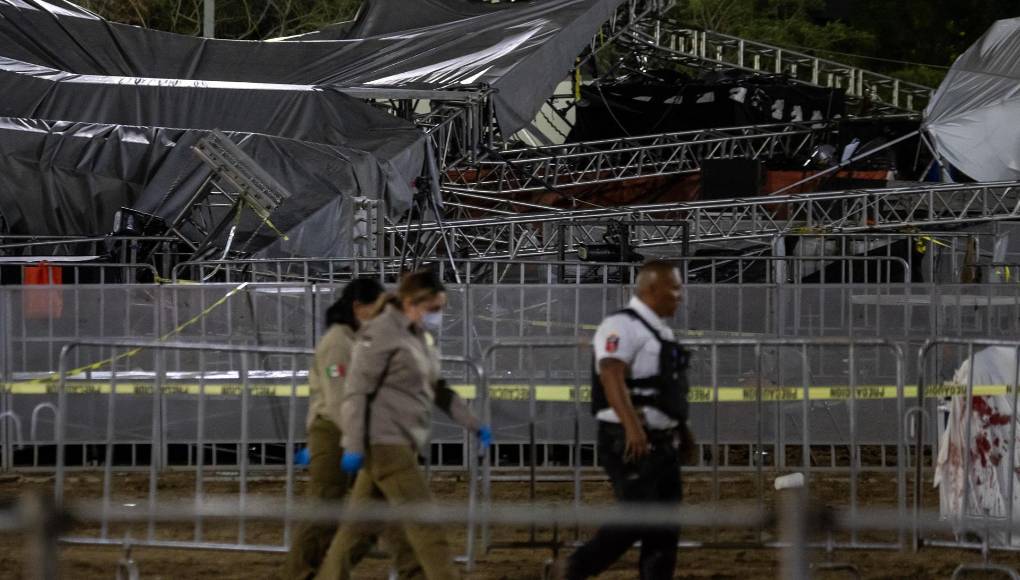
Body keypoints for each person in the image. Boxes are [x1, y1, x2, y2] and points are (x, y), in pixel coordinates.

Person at [315, 269, 491, 580]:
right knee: (424, 522)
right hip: (385, 442)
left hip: (402, 440)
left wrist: (473, 423)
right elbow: (356, 391)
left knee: (359, 530)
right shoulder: (380, 333)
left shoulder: (417, 337)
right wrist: (353, 445)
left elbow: (438, 388)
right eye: (433, 308)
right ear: (410, 303)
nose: (437, 316)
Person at [553, 260, 695, 580]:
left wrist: (682, 430)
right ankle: (571, 570)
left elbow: (667, 389)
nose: (680, 295)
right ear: (652, 289)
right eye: (675, 288)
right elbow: (611, 374)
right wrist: (633, 427)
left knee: (665, 526)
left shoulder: (661, 331)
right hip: (628, 438)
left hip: (661, 440)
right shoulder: (621, 326)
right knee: (638, 516)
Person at [281, 278, 386, 580]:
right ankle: (299, 573)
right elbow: (339, 399)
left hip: (344, 431)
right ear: (358, 307)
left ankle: (319, 572)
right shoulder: (339, 342)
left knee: (339, 510)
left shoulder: (353, 340)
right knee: (324, 511)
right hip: (336, 431)